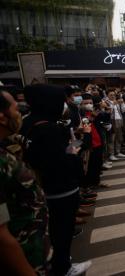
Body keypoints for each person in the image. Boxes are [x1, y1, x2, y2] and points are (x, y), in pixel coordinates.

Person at [21, 84, 92, 275]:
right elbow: (66, 157)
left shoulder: (27, 123)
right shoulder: (50, 129)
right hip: (61, 188)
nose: (64, 106)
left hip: (42, 187)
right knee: (63, 229)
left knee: (54, 229)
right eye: (61, 102)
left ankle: (60, 260)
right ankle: (63, 267)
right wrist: (83, 139)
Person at [0, 90, 50, 275]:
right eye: (16, 108)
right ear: (2, 117)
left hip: (34, 251)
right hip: (21, 263)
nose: (20, 113)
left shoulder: (8, 146)